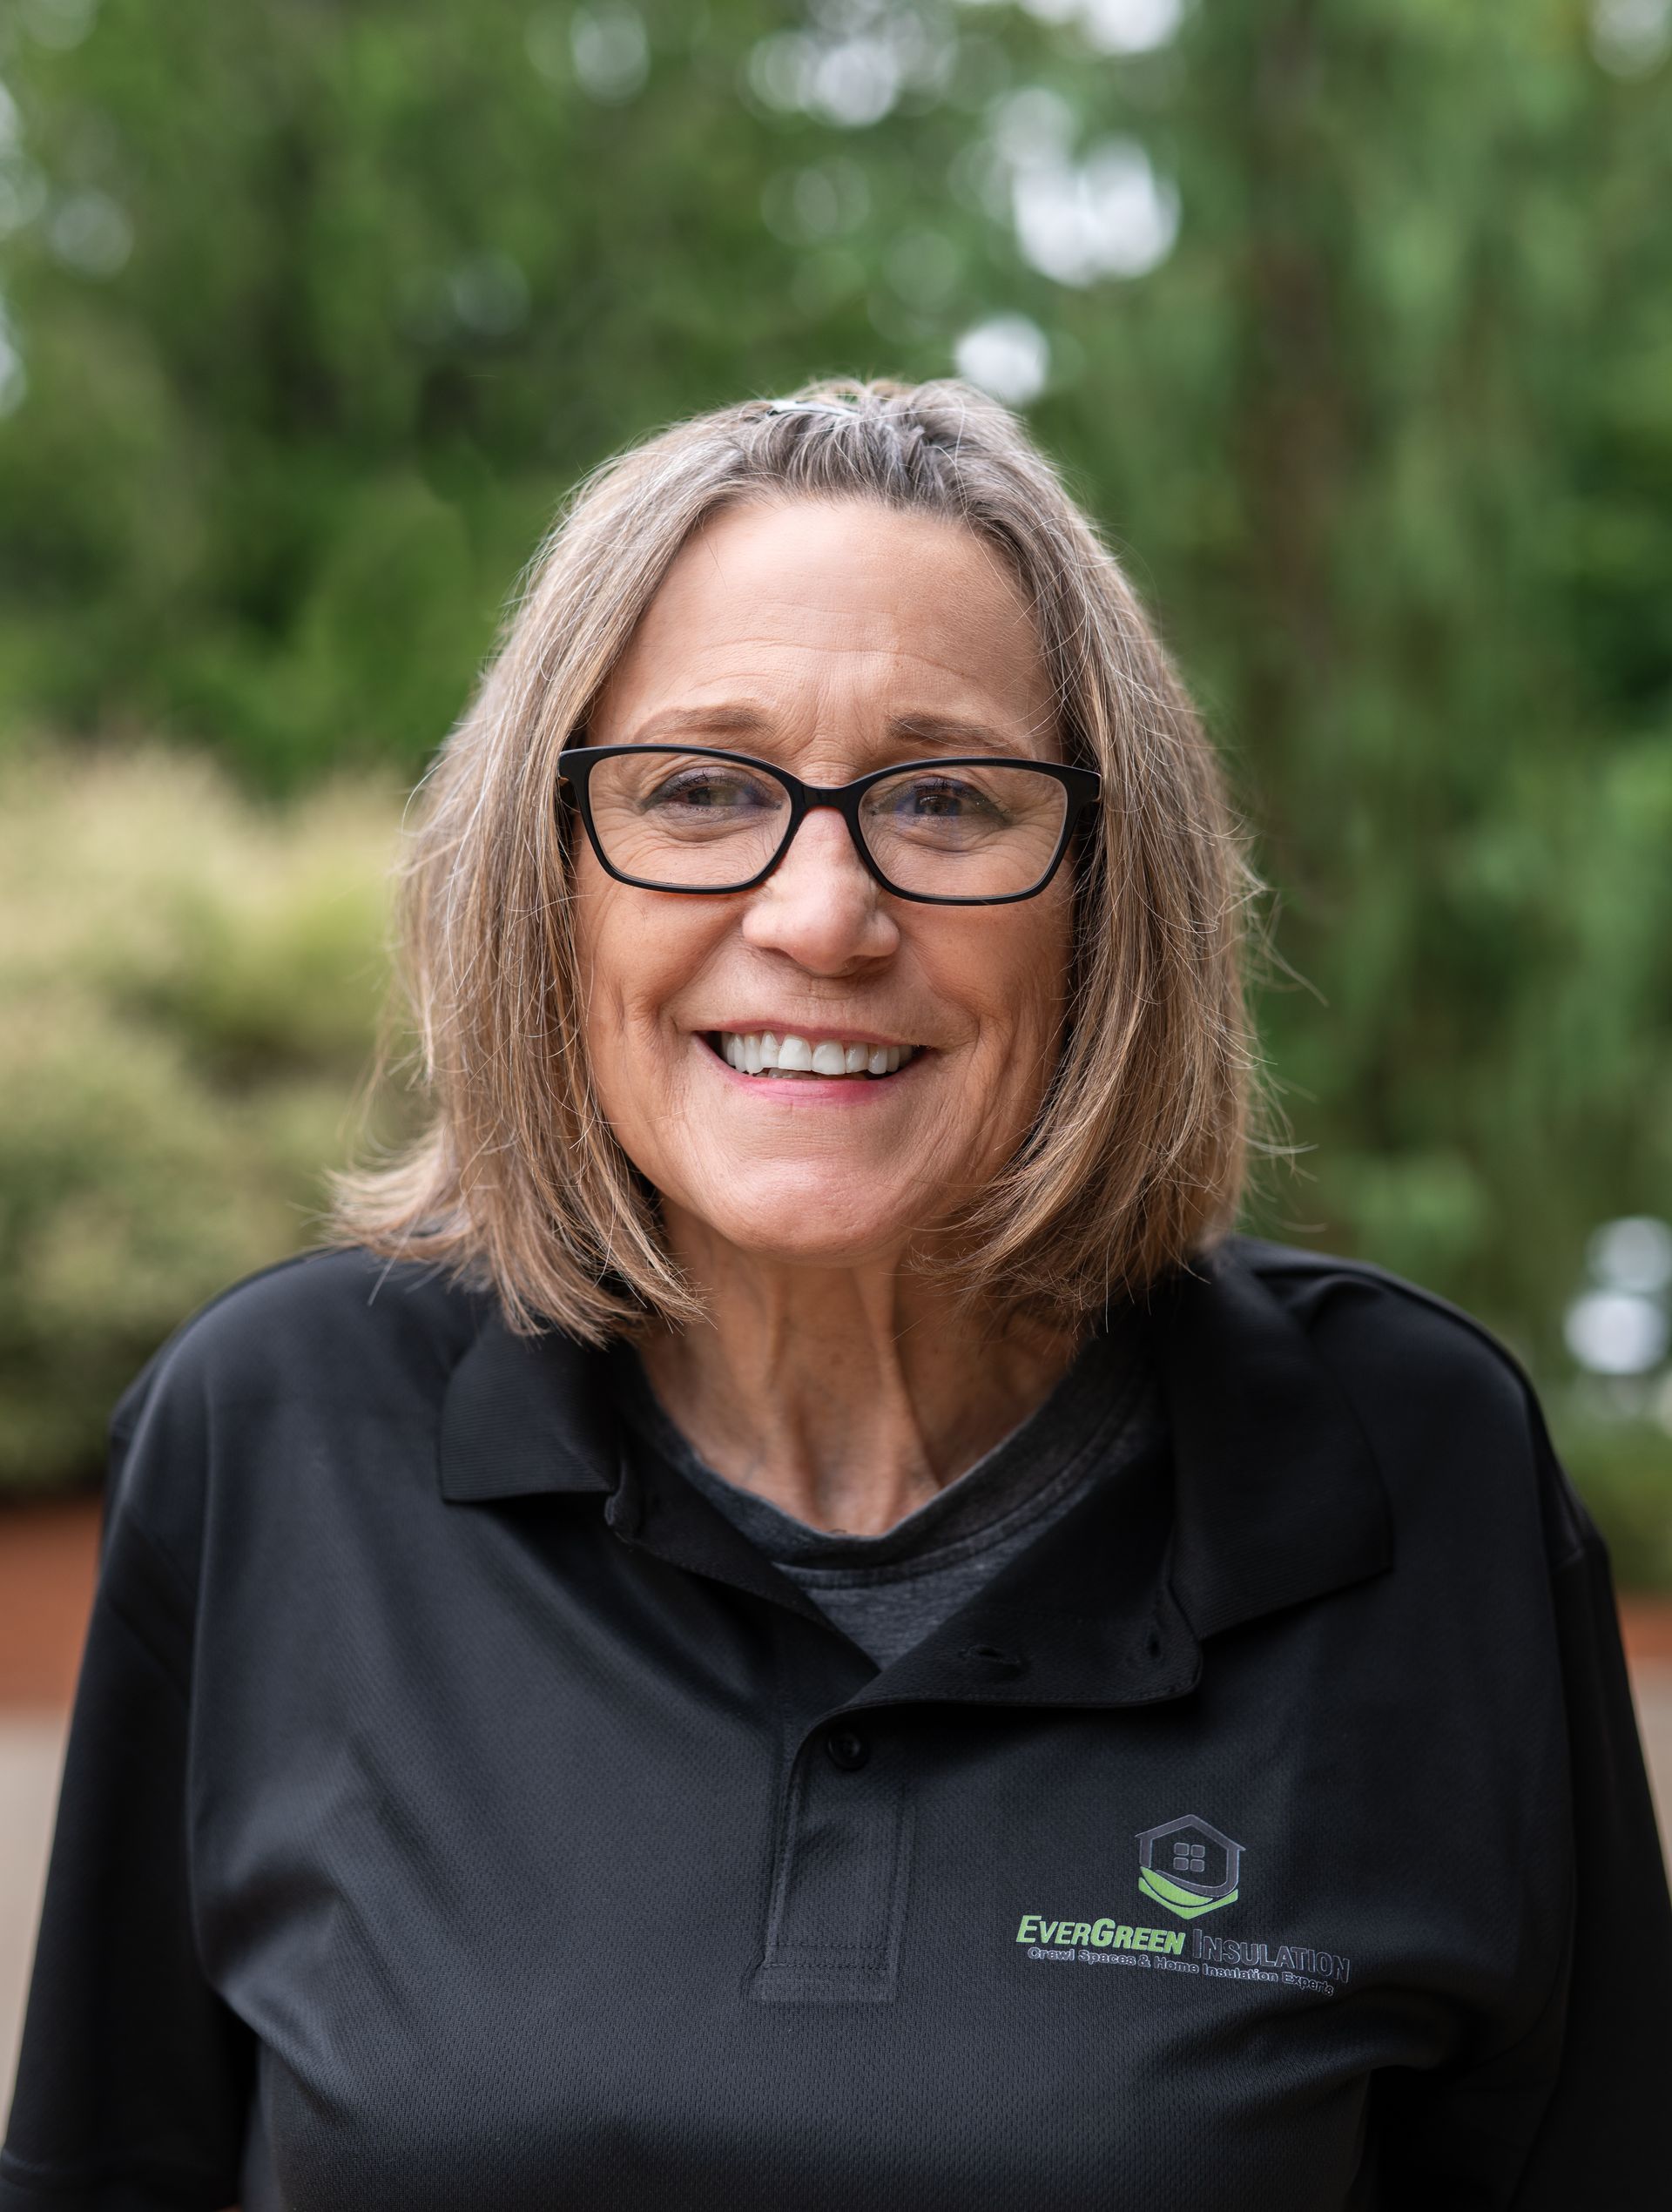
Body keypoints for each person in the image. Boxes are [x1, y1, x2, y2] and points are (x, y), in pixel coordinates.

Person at [3, 380, 1668, 2212]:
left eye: (946, 798)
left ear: (1115, 899)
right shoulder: (276, 1434)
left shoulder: (1410, 1471)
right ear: (540, 885)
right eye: (701, 788)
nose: (822, 910)